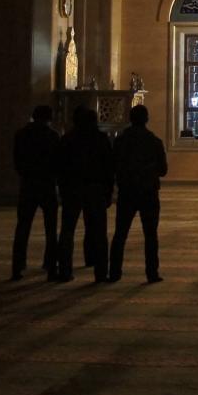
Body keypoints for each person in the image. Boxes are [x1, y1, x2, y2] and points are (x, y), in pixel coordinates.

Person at [108, 105, 168, 284]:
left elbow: (112, 166)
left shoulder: (120, 141)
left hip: (127, 192)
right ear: (146, 119)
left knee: (120, 234)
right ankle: (152, 273)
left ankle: (114, 272)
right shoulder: (154, 141)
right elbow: (163, 170)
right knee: (150, 235)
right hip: (148, 193)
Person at [56, 107, 114, 283]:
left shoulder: (67, 139)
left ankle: (65, 270)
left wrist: (63, 189)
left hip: (73, 188)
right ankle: (100, 271)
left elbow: (60, 167)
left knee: (67, 231)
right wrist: (109, 191)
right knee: (98, 231)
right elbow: (108, 168)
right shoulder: (100, 139)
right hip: (95, 189)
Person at [11, 104, 61, 281]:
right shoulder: (52, 136)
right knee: (51, 229)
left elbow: (17, 160)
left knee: (23, 227)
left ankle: (17, 266)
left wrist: (26, 174)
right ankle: (51, 266)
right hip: (47, 185)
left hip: (28, 184)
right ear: (49, 117)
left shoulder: (21, 134)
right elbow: (57, 161)